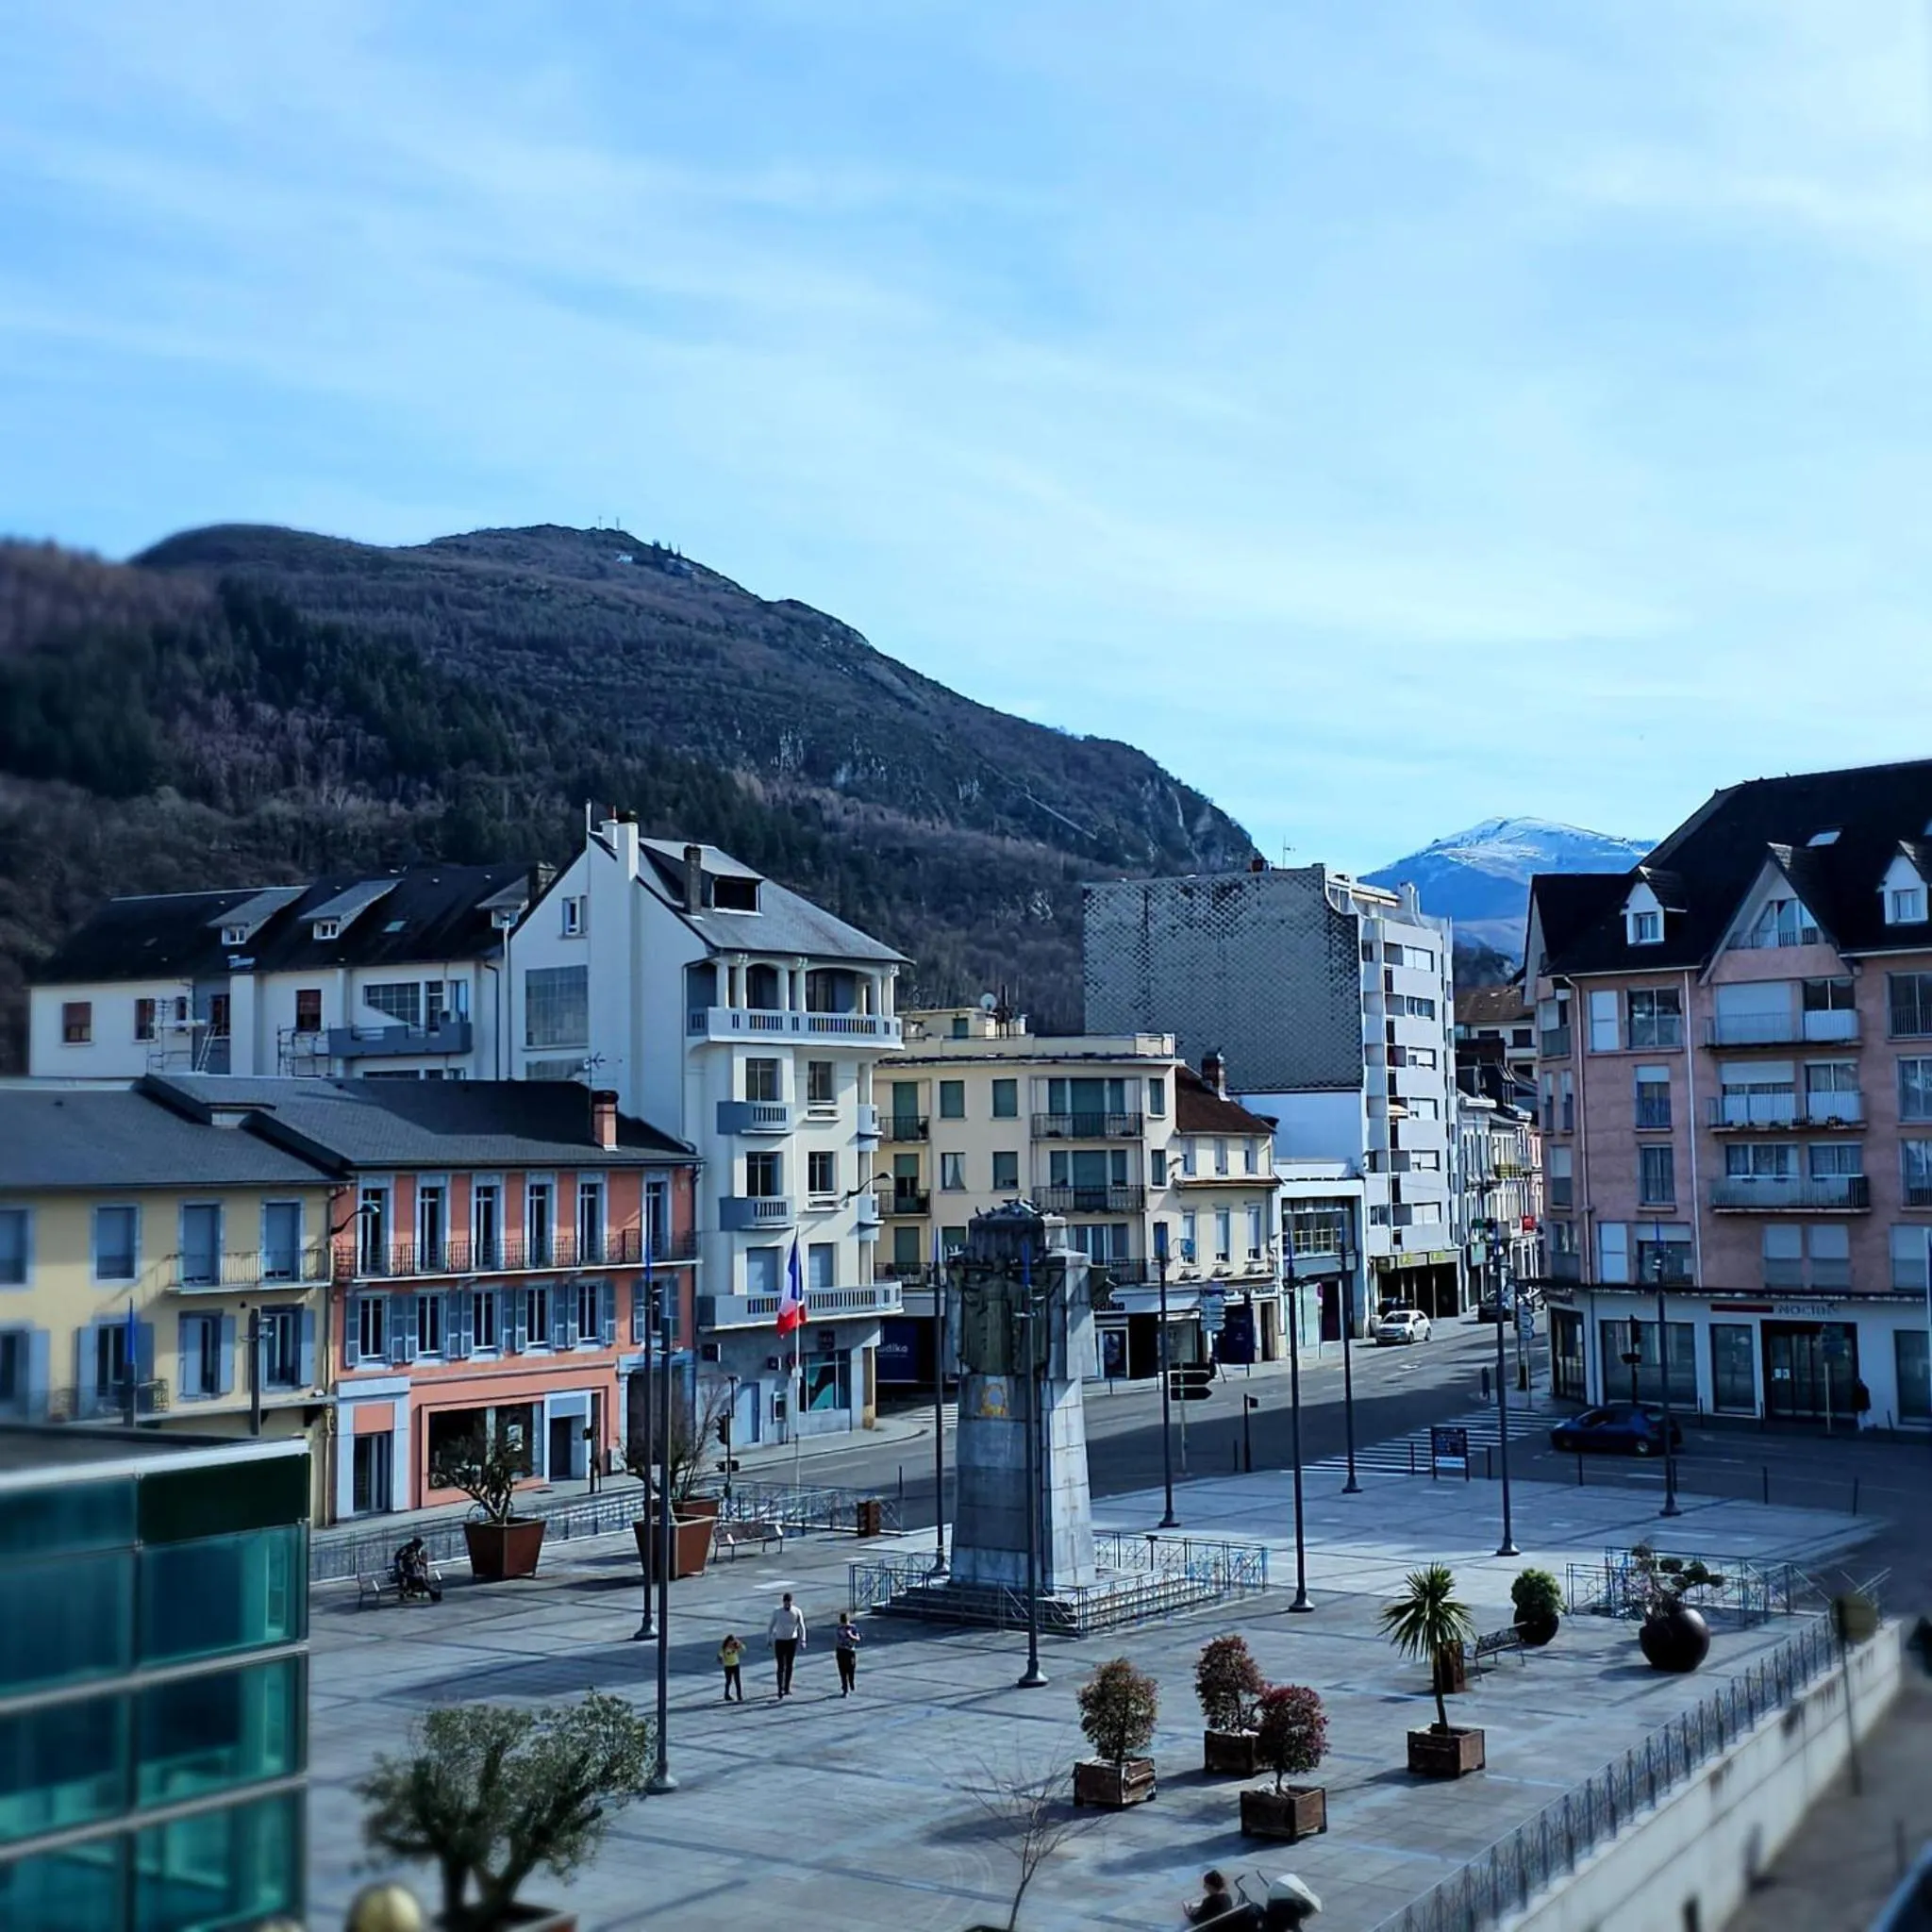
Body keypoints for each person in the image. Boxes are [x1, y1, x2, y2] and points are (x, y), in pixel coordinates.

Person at [767, 1592, 807, 1698]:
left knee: (789, 1665)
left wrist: (803, 1640)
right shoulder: (777, 1612)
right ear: (783, 1602)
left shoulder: (797, 1611)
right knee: (780, 1666)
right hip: (780, 1640)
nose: (787, 1605)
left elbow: (802, 1626)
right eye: (785, 1603)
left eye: (789, 1603)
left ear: (791, 1602)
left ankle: (787, 1687)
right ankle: (780, 1688)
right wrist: (769, 1639)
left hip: (791, 1640)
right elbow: (771, 1626)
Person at [833, 1610, 861, 1695]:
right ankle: (845, 1688)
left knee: (851, 1669)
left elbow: (858, 1639)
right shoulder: (839, 1629)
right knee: (842, 1671)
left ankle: (851, 1681)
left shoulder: (853, 1628)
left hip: (850, 1651)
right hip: (841, 1651)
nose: (845, 1625)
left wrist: (851, 1636)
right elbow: (838, 1641)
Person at [718, 1632, 746, 1703]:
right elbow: (720, 1656)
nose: (731, 1644)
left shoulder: (736, 1646)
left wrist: (739, 1644)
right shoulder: (724, 1649)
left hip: (735, 1665)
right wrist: (721, 1660)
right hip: (728, 1666)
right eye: (730, 1642)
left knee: (737, 1681)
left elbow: (743, 1649)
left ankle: (739, 1696)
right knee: (728, 1681)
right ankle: (726, 1695)